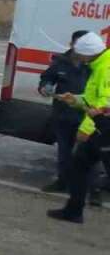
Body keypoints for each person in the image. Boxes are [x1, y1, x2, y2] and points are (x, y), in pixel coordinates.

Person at [49, 32, 110, 224]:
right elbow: (92, 100)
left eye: (80, 54)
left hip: (104, 130)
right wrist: (75, 99)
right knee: (78, 166)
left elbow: (104, 105)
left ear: (88, 53)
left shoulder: (105, 69)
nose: (78, 58)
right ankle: (73, 211)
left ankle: (74, 210)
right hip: (99, 129)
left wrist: (85, 129)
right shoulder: (98, 65)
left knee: (82, 166)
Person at [39, 31, 95, 194]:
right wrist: (45, 87)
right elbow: (46, 78)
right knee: (64, 151)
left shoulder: (93, 65)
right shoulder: (60, 62)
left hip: (87, 117)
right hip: (63, 115)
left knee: (89, 155)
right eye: (77, 45)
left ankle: (93, 190)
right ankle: (62, 182)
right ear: (71, 44)